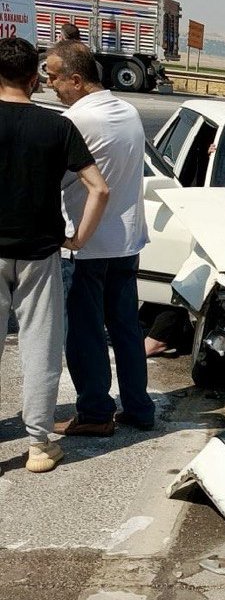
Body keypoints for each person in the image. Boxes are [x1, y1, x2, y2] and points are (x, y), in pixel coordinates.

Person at [0, 37, 109, 472]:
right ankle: (39, 445)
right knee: (40, 349)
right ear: (34, 79)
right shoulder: (58, 126)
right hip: (40, 252)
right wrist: (78, 239)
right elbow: (99, 189)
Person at [45, 40, 153, 437]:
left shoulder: (75, 120)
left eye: (54, 77)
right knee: (126, 329)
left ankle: (94, 412)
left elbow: (53, 177)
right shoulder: (128, 111)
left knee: (85, 333)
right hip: (126, 240)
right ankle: (139, 407)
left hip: (85, 243)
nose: (50, 85)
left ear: (76, 79)